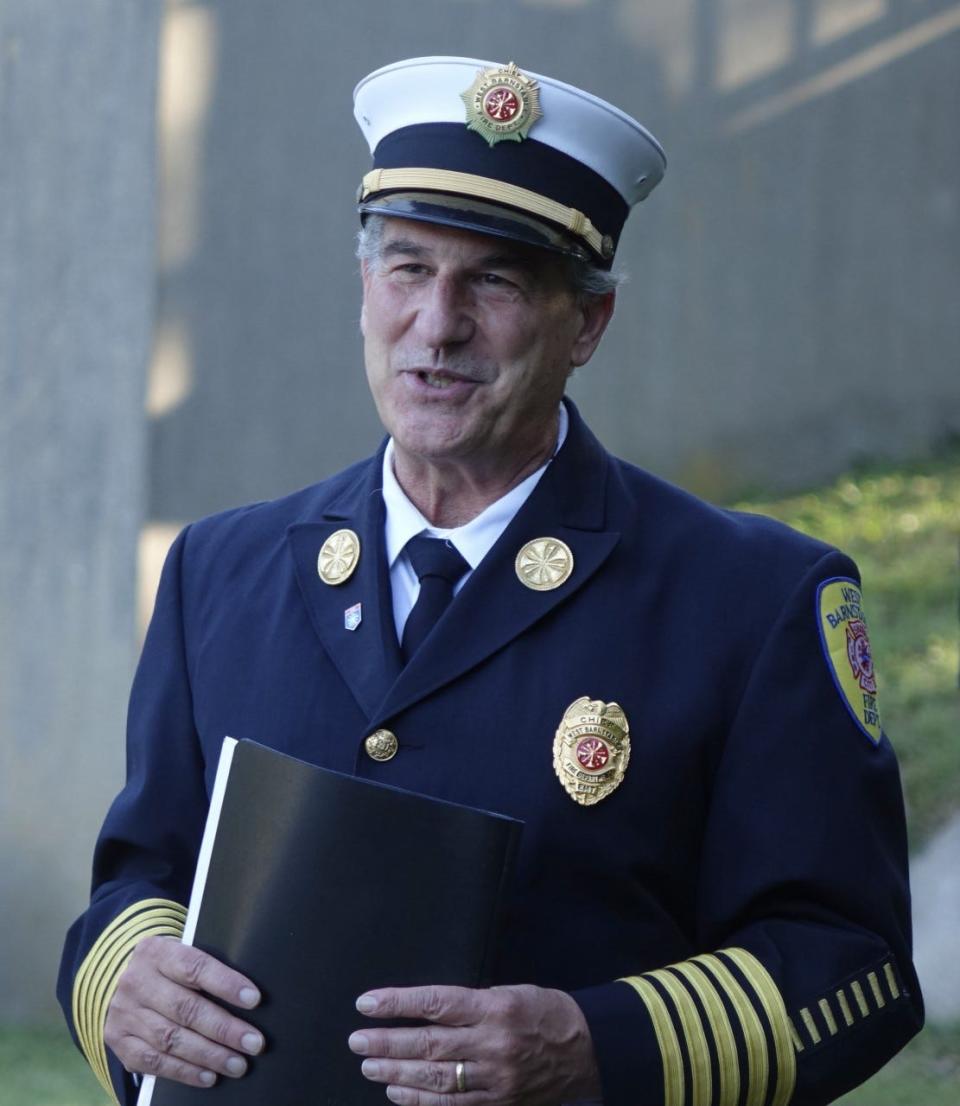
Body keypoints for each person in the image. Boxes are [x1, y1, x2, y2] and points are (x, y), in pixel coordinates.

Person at [59, 56, 923, 1106]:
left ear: (587, 323)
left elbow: (855, 968)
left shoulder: (752, 599)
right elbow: (137, 879)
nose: (438, 324)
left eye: (497, 281)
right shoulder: (222, 567)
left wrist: (594, 1043)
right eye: (409, 268)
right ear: (363, 287)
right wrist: (126, 978)